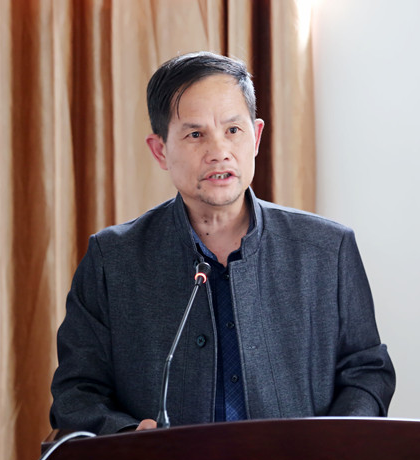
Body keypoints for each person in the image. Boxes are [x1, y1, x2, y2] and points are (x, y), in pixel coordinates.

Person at [50, 51, 395, 434]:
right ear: (160, 150)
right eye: (195, 135)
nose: (219, 152)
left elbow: (367, 371)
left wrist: (332, 443)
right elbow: (76, 392)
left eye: (233, 130)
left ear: (256, 137)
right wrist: (128, 438)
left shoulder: (328, 249)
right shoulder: (113, 260)